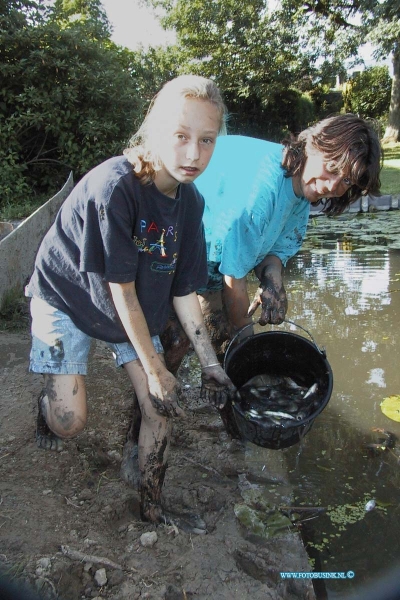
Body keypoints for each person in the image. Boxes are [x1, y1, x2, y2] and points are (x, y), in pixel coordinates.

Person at [25, 74, 236, 535]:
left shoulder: (191, 203)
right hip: (71, 293)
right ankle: (47, 407)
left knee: (158, 407)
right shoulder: (114, 186)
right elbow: (117, 289)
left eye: (206, 140)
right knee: (69, 421)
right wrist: (157, 368)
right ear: (153, 130)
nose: (193, 155)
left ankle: (153, 509)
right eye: (180, 137)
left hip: (131, 304)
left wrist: (211, 364)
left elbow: (184, 292)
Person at [162, 113, 382, 372]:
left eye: (346, 180)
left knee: (221, 342)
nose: (331, 185)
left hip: (211, 263)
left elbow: (275, 251)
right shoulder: (264, 188)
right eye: (331, 168)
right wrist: (249, 342)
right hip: (169, 251)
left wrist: (273, 282)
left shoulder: (302, 189)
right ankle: (154, 399)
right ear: (313, 145)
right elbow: (234, 280)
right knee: (177, 343)